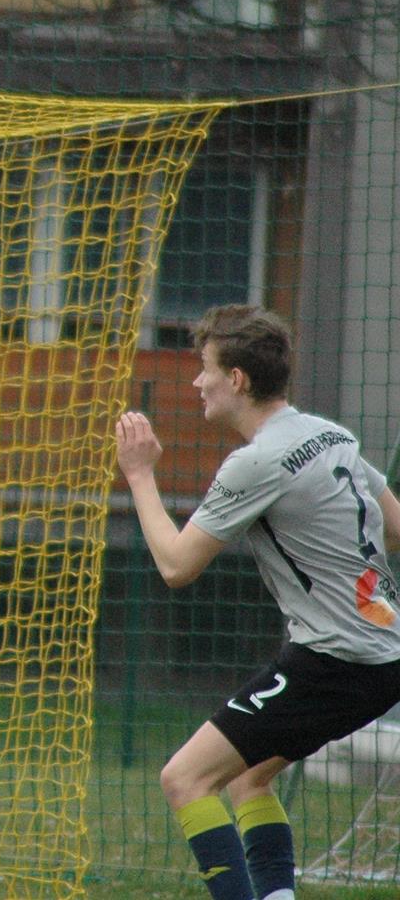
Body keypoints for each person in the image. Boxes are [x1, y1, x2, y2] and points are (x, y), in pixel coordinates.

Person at [115, 304, 400, 900]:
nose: (197, 381)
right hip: (380, 655)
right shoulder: (331, 434)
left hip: (335, 662)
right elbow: (395, 528)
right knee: (248, 778)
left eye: (205, 369)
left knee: (185, 779)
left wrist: (140, 474)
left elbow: (175, 565)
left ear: (237, 379)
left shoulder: (256, 461)